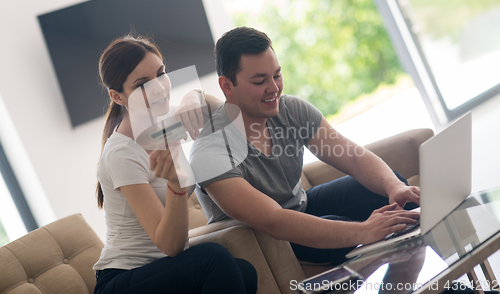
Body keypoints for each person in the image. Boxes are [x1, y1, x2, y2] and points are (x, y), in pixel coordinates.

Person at [189, 26, 420, 266]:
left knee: (396, 193)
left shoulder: (291, 110)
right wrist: (364, 230)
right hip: (268, 240)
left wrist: (393, 186)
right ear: (227, 86)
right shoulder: (209, 154)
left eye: (276, 75)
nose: (274, 89)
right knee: (343, 227)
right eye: (259, 81)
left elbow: (353, 158)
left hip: (302, 206)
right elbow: (273, 220)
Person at [93, 34, 257, 294]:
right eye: (142, 84)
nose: (158, 87)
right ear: (118, 97)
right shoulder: (122, 154)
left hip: (167, 270)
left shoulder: (167, 118)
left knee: (245, 272)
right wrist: (176, 184)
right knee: (212, 259)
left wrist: (195, 95)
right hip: (123, 279)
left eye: (161, 73)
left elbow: (234, 118)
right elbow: (171, 246)